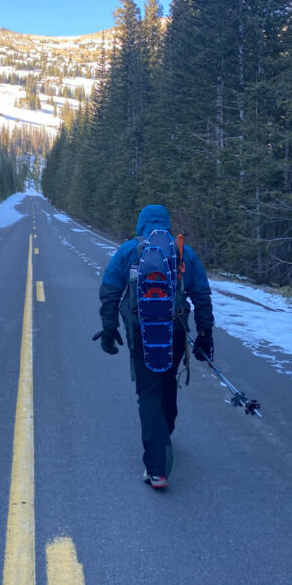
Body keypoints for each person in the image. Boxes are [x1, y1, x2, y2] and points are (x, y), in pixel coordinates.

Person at [98, 205, 214, 490]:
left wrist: (110, 327)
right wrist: (205, 332)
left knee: (148, 393)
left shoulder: (129, 250)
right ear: (166, 224)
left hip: (141, 331)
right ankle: (164, 436)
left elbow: (110, 290)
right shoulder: (182, 252)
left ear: (141, 224)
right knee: (167, 383)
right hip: (175, 330)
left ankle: (157, 468)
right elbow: (201, 293)